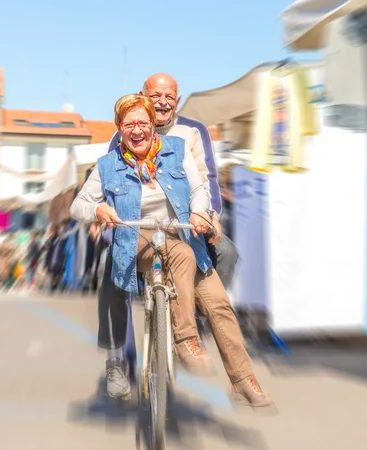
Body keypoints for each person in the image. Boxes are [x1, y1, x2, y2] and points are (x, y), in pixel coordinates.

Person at [70, 94, 271, 407]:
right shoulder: (107, 166)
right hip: (135, 237)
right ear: (120, 129)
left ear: (153, 125)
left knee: (219, 303)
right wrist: (97, 212)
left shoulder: (176, 150)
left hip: (182, 233)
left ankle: (243, 379)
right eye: (128, 124)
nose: (136, 130)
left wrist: (199, 212)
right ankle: (186, 340)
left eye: (142, 123)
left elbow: (198, 190)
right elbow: (78, 205)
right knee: (180, 255)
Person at [103, 73, 240, 370]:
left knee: (227, 253)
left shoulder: (193, 131)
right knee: (112, 266)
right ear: (143, 96)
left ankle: (195, 315)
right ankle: (119, 359)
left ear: (177, 100)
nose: (162, 102)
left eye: (169, 97)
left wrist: (208, 216)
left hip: (185, 222)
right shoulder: (123, 133)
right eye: (155, 96)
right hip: (137, 224)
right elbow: (109, 181)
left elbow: (207, 179)